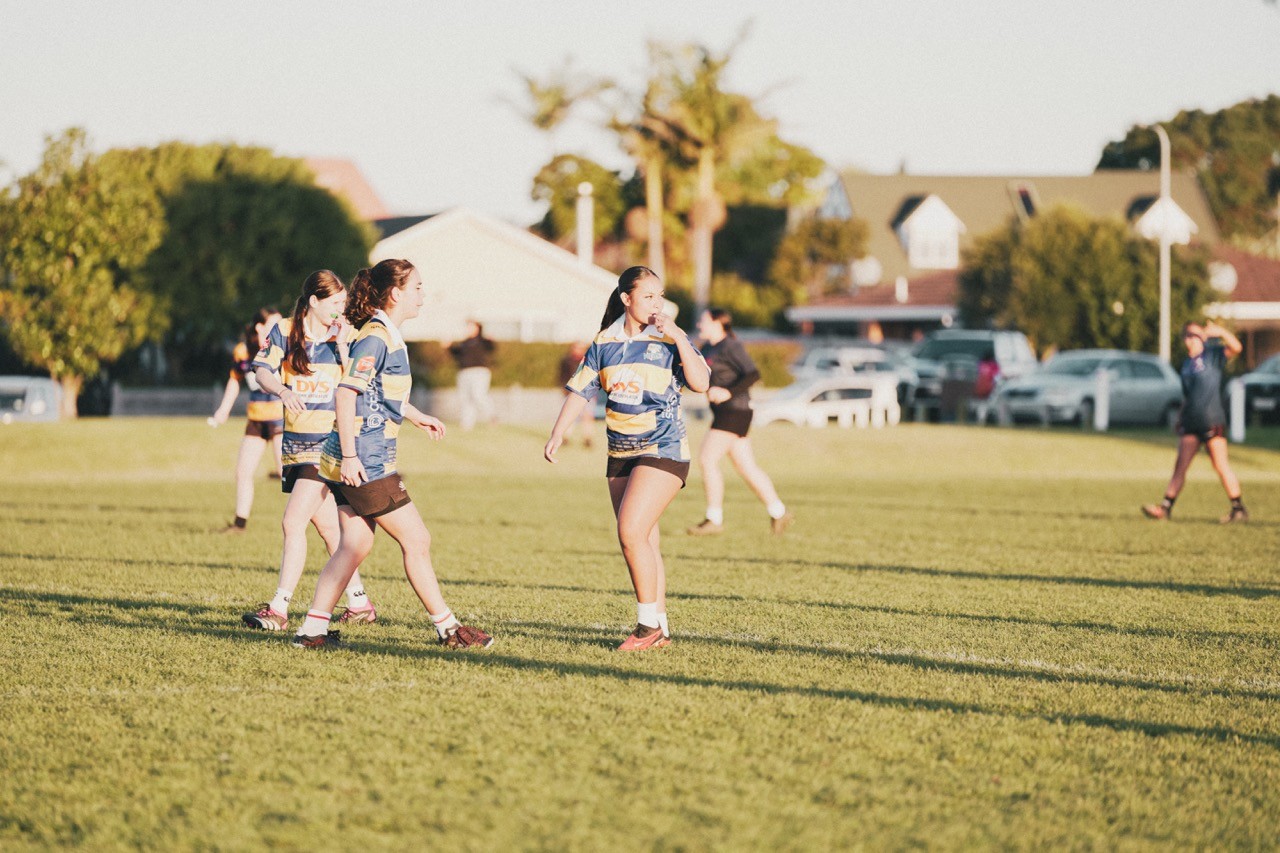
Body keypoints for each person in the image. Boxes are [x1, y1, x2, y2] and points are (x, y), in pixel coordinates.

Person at [292, 259, 493, 650]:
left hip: (355, 456)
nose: (423, 294)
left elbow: (380, 394)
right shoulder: (377, 337)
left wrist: (416, 416)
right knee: (417, 540)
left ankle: (312, 632)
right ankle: (449, 630)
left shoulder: (385, 334)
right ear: (396, 292)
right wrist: (351, 457)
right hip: (364, 458)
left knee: (355, 546)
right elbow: (346, 393)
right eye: (418, 287)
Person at [545, 266, 710, 652]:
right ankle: (661, 629)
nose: (657, 303)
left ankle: (646, 626)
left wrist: (680, 338)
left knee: (630, 532)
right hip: (620, 453)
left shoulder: (668, 338)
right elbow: (580, 391)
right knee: (645, 539)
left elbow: (702, 383)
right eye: (649, 296)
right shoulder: (604, 341)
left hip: (663, 449)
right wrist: (558, 431)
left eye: (660, 295)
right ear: (627, 299)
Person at [241, 271, 377, 631]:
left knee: (292, 522)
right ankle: (360, 603)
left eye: (343, 304)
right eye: (334, 304)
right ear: (314, 302)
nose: (340, 311)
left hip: (328, 445)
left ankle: (279, 608)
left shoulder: (344, 336)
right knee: (330, 529)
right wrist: (282, 391)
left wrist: (347, 347)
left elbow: (358, 384)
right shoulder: (285, 331)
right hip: (296, 447)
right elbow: (262, 370)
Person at [687, 308, 793, 536]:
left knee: (707, 459)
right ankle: (779, 512)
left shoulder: (730, 346)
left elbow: (753, 374)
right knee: (746, 467)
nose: (699, 324)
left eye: (703, 320)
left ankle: (714, 519)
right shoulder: (707, 348)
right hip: (724, 413)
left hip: (735, 411)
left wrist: (727, 392)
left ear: (718, 323)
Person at [1142, 321, 1248, 523]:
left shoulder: (1213, 355)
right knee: (1180, 466)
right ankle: (1165, 507)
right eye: (1188, 336)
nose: (1192, 340)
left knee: (1220, 465)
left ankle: (1238, 507)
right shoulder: (1187, 365)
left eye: (1196, 335)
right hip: (1191, 420)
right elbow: (1188, 396)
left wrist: (1221, 332)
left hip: (1212, 419)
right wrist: (1181, 417)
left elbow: (1237, 347)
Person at [209, 308, 284, 533]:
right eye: (274, 323)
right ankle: (239, 524)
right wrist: (223, 410)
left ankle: (322, 516)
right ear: (260, 326)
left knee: (287, 474)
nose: (279, 327)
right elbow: (234, 381)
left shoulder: (281, 348)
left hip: (280, 420)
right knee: (243, 472)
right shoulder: (243, 351)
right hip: (256, 420)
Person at [448, 320, 496, 430]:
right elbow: (457, 354)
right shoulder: (464, 343)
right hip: (464, 372)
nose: (468, 329)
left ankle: (492, 415)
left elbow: (491, 348)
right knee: (465, 398)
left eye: (471, 327)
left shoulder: (482, 341)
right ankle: (466, 424)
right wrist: (449, 347)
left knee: (478, 395)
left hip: (479, 372)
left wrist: (491, 341)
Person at [556, 340, 595, 448]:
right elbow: (562, 376)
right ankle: (565, 437)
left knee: (587, 416)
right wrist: (564, 389)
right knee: (569, 416)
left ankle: (587, 438)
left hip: (587, 392)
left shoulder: (589, 360)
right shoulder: (566, 361)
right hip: (570, 392)